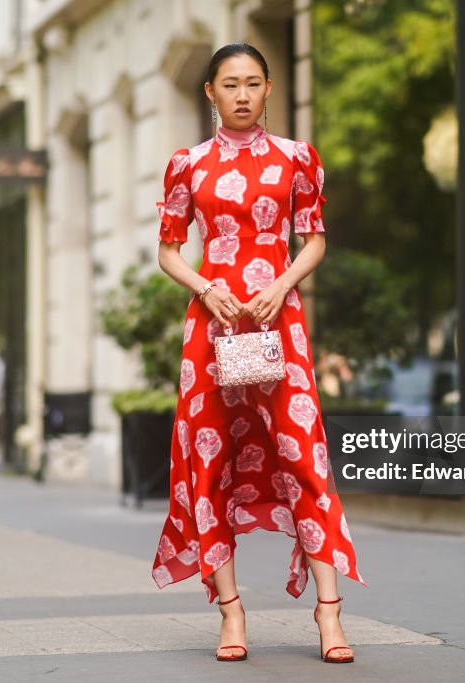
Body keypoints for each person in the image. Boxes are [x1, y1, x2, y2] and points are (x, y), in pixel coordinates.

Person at [151, 43, 363, 664]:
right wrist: (206, 287)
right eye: (229, 85)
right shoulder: (186, 164)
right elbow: (168, 251)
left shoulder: (297, 158)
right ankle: (231, 612)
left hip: (281, 324)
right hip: (210, 332)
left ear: (269, 89)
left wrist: (280, 285)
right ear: (211, 93)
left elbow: (314, 240)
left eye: (252, 83)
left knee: (304, 459)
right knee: (209, 461)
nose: (241, 95)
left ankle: (329, 615)